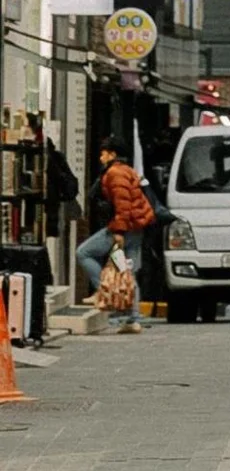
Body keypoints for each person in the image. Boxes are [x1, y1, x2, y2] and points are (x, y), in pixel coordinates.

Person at [76, 139, 153, 332]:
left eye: (104, 154)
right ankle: (132, 319)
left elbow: (122, 204)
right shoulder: (126, 170)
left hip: (124, 227)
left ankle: (104, 290)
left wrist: (118, 231)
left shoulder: (115, 173)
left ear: (112, 155)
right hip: (136, 227)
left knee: (84, 253)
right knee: (127, 272)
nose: (101, 157)